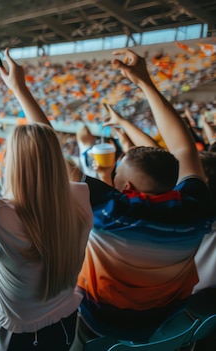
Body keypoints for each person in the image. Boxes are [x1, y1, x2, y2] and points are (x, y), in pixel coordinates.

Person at [73, 49, 216, 347]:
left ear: (124, 189)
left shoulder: (110, 213)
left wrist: (144, 80)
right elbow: (184, 150)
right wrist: (146, 83)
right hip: (165, 324)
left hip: (99, 326)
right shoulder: (195, 207)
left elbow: (47, 162)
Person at [0, 48, 93, 351]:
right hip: (63, 325)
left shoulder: (0, 216)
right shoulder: (79, 200)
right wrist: (19, 90)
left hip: (9, 337)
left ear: (13, 167)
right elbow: (49, 150)